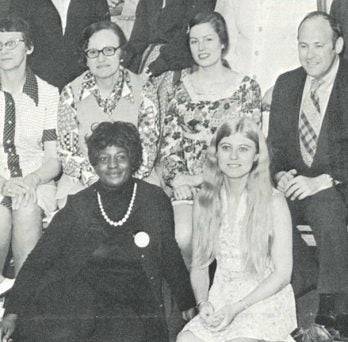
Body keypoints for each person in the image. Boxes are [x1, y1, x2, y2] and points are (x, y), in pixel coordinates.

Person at [1, 121, 195, 342]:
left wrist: (187, 302)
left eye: (120, 157)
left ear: (132, 159)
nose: (112, 165)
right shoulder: (79, 204)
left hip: (132, 302)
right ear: (94, 163)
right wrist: (13, 311)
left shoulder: (153, 199)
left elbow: (170, 253)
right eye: (104, 158)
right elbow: (40, 258)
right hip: (79, 299)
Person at [177, 117, 296, 342]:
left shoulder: (273, 201)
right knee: (186, 340)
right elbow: (199, 266)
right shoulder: (206, 199)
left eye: (243, 149)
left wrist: (238, 308)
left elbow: (282, 274)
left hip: (263, 300)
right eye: (226, 148)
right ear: (216, 153)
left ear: (257, 155)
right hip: (222, 298)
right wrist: (203, 303)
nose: (233, 157)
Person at [268, 11, 348, 336]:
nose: (309, 55)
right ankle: (306, 284)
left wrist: (325, 180)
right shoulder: (287, 84)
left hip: (337, 183)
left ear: (338, 45)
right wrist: (279, 176)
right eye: (303, 46)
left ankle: (332, 310)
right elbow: (273, 147)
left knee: (327, 208)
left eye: (318, 45)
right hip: (295, 183)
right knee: (266, 209)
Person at [159, 11, 261, 266]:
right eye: (194, 41)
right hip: (189, 187)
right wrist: (177, 180)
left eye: (208, 39)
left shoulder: (246, 88)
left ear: (223, 42)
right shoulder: (179, 91)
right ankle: (197, 299)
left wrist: (202, 178)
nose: (201, 48)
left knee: (234, 238)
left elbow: (248, 148)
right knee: (183, 236)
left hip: (233, 181)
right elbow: (170, 149)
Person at [57, 20, 151, 208]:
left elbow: (148, 148)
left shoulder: (144, 89)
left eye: (109, 50)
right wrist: (96, 182)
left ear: (121, 53)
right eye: (93, 52)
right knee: (76, 210)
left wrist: (123, 183)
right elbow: (68, 152)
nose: (101, 59)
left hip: (135, 177)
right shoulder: (70, 92)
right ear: (86, 58)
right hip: (83, 180)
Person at [0, 16, 61, 295]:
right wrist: (3, 185)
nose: (3, 49)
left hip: (37, 181)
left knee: (25, 209)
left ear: (30, 47)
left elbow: (53, 160)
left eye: (12, 42)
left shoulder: (48, 94)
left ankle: (21, 305)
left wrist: (30, 181)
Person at [214, 0, 318, 102]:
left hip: (286, 94)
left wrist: (282, 88)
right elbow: (222, 43)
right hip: (236, 94)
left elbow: (312, 50)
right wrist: (233, 85)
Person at [9, 0, 110, 90]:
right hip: (36, 89)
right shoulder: (22, 3)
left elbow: (103, 43)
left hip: (84, 87)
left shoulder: (95, 2)